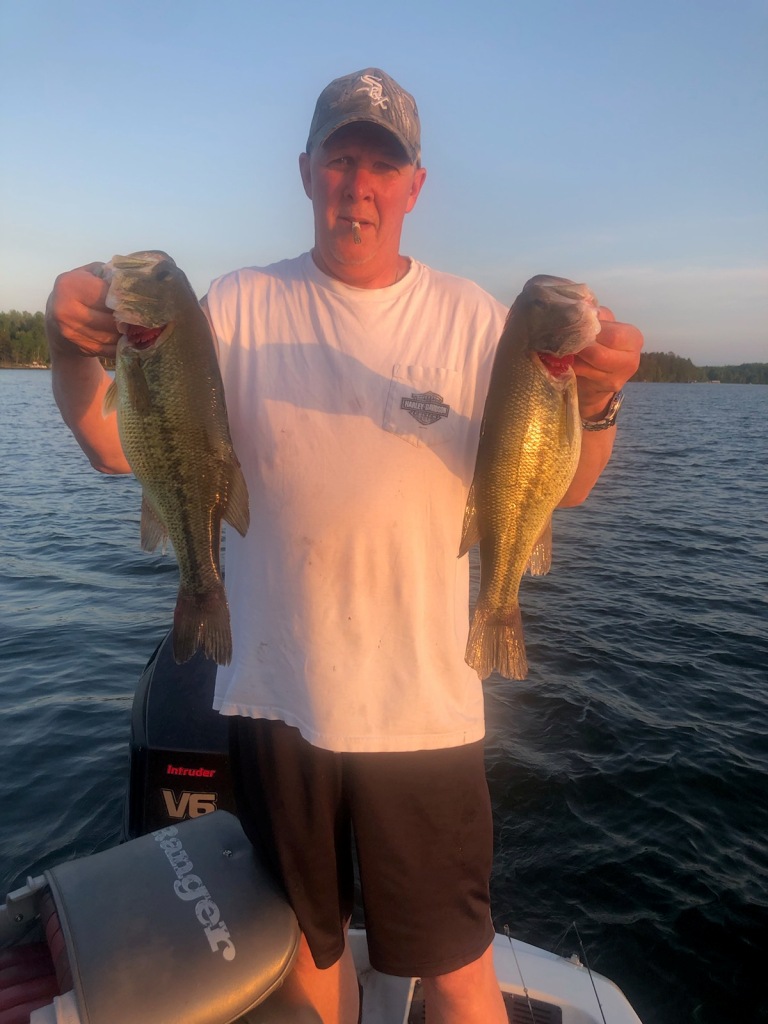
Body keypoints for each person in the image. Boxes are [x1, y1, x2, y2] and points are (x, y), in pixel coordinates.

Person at [46, 68, 643, 1024]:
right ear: (306, 171)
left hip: (423, 710)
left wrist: (601, 397)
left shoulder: (479, 323)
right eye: (339, 158)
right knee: (306, 956)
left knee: (457, 971)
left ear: (414, 186)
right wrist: (73, 342)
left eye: (380, 163)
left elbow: (564, 484)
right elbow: (117, 448)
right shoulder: (232, 307)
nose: (356, 183)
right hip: (276, 693)